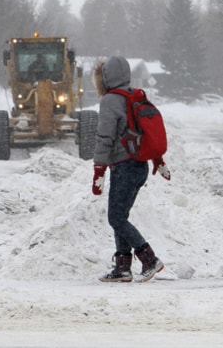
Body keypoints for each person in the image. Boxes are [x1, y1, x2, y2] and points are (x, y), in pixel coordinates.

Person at [91, 55, 169, 283]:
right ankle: (122, 267)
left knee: (116, 218)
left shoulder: (110, 100)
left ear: (106, 77)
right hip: (139, 166)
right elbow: (144, 132)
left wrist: (99, 170)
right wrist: (158, 160)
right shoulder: (135, 96)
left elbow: (104, 137)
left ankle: (149, 258)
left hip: (123, 167)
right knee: (120, 216)